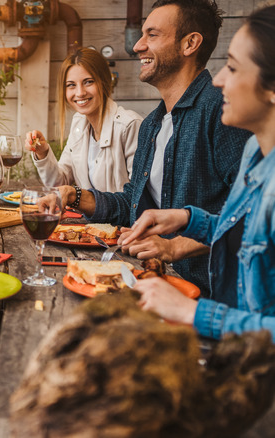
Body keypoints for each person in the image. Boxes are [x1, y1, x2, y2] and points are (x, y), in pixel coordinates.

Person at [55, 0, 251, 294]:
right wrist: (73, 195)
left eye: (153, 35)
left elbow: (250, 213)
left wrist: (174, 247)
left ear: (190, 44)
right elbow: (132, 204)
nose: (137, 46)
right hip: (157, 282)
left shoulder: (221, 112)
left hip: (209, 296)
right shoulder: (152, 125)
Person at [122, 5, 275, 341]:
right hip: (223, 333)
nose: (218, 79)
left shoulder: (220, 117)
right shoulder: (255, 153)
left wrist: (192, 311)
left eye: (232, 68)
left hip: (216, 321)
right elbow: (248, 230)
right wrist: (188, 219)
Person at [26, 47, 142, 192]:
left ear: (104, 82)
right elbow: (60, 183)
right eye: (71, 85)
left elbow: (138, 196)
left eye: (88, 82)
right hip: (88, 215)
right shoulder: (79, 123)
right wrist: (42, 153)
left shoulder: (129, 125)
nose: (80, 93)